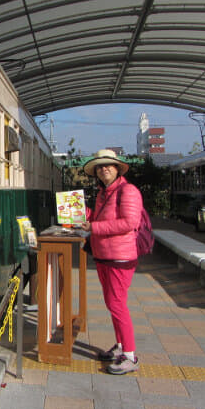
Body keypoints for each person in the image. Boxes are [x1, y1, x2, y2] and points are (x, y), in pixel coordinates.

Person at [80, 149, 143, 375]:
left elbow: (129, 222)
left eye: (108, 165)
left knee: (117, 304)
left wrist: (94, 227)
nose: (104, 168)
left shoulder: (128, 191)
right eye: (99, 166)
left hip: (120, 257)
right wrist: (81, 212)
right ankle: (120, 346)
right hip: (104, 255)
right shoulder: (103, 193)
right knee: (111, 303)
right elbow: (100, 219)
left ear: (117, 169)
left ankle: (130, 355)